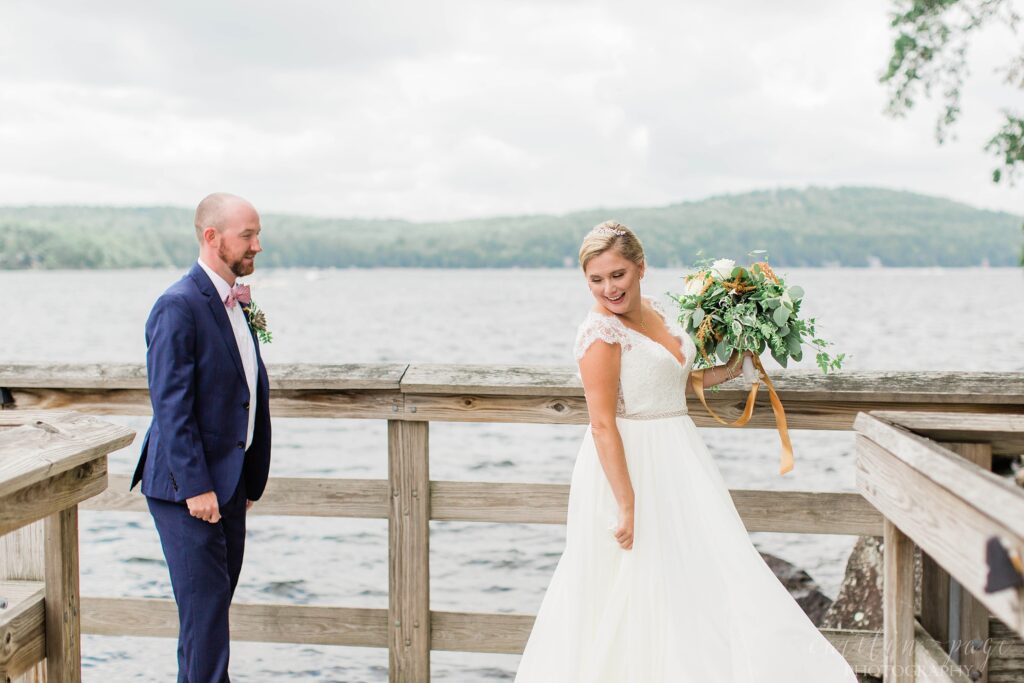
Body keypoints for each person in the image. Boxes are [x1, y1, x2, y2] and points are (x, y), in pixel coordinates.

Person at [514, 221, 857, 682]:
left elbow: (671, 379)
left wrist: (732, 367)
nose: (608, 288)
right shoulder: (600, 334)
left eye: (617, 275)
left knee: (698, 573)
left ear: (640, 268)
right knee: (635, 586)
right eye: (596, 279)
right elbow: (600, 424)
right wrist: (628, 503)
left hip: (679, 457)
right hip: (630, 466)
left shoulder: (655, 312)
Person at [131, 192, 272, 682]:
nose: (258, 244)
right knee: (207, 618)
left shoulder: (239, 303)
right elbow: (171, 405)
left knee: (206, 620)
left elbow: (248, 388)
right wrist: (197, 487)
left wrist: (248, 480)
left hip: (229, 484)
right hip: (188, 490)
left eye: (258, 233)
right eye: (248, 235)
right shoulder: (177, 306)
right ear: (212, 237)